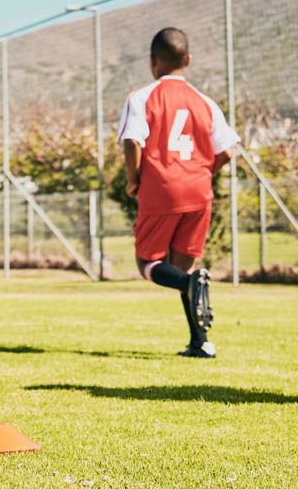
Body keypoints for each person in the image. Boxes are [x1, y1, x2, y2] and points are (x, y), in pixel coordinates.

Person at [117, 27, 239, 358]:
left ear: (153, 61)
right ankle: (201, 342)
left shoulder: (142, 97)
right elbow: (227, 152)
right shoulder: (206, 102)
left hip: (161, 189)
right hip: (199, 192)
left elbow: (132, 139)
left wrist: (133, 179)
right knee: (186, 269)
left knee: (148, 263)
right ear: (187, 60)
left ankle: (190, 290)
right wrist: (200, 173)